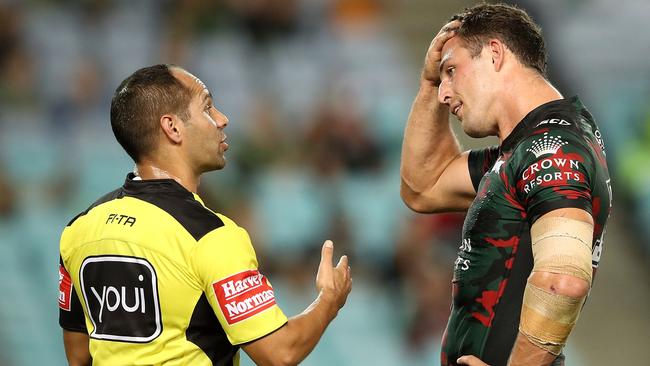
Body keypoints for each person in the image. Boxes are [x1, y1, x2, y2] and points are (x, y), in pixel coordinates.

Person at [58, 64, 352, 366]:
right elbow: (280, 352)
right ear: (172, 127)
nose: (223, 119)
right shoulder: (212, 236)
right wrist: (329, 300)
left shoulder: (80, 229)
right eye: (208, 108)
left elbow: (79, 355)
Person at [400, 4, 611, 366]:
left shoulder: (550, 150)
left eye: (451, 71)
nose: (444, 93)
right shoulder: (524, 151)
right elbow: (422, 186)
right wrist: (428, 82)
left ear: (495, 54)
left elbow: (563, 282)